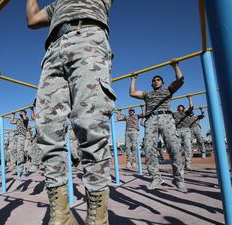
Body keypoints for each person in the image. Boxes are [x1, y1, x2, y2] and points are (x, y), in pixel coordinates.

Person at [27, 0, 115, 224]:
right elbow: (32, 19)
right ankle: (62, 215)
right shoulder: (57, 5)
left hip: (87, 37)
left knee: (91, 126)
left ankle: (97, 218)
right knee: (47, 130)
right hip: (53, 50)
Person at [129, 59, 188, 193]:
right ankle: (156, 177)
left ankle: (178, 179)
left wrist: (175, 66)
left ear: (162, 82)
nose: (156, 81)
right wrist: (133, 79)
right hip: (151, 119)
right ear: (151, 83)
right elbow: (132, 93)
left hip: (166, 117)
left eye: (158, 80)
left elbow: (181, 81)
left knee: (174, 148)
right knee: (149, 148)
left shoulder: (168, 90)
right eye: (154, 80)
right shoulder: (147, 94)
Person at [172, 96, 194, 170]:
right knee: (177, 148)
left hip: (186, 130)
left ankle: (188, 164)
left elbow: (191, 106)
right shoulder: (175, 114)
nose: (180, 107)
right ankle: (179, 164)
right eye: (179, 107)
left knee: (188, 147)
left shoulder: (186, 113)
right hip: (177, 130)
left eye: (181, 107)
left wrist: (190, 99)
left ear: (184, 108)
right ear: (177, 108)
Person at [10, 111, 29, 175]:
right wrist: (13, 115)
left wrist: (23, 113)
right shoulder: (18, 120)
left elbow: (25, 119)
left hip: (21, 135)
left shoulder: (26, 118)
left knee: (20, 151)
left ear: (24, 113)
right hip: (15, 135)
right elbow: (11, 122)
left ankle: (20, 167)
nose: (20, 113)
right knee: (12, 150)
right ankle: (13, 164)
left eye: (22, 112)